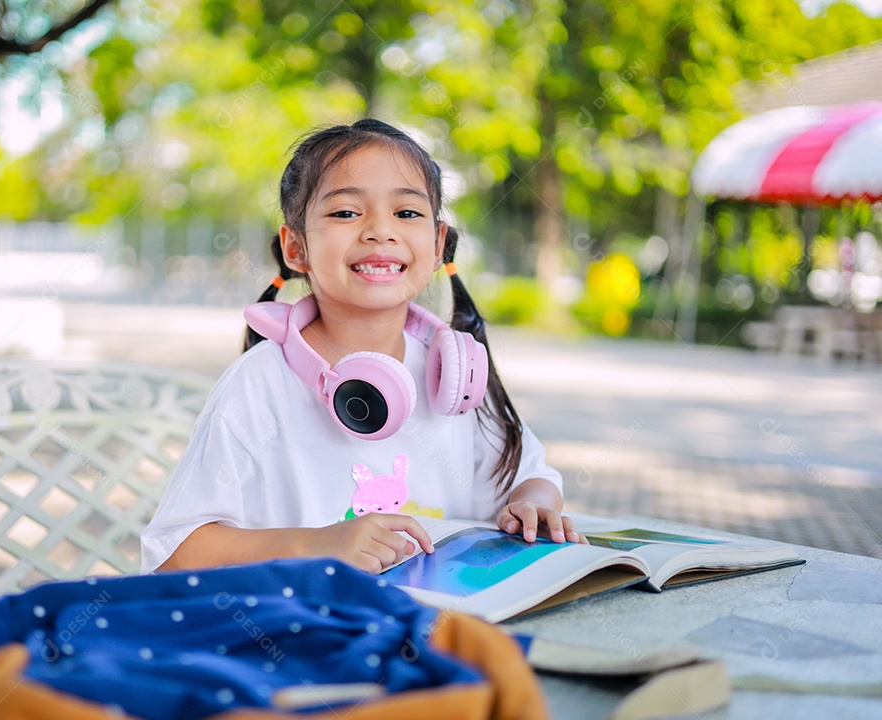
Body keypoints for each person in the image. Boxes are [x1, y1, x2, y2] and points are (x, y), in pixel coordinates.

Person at [141, 118, 580, 575]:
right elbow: (174, 556)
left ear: (437, 246)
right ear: (295, 248)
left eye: (406, 213)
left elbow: (530, 477)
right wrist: (314, 546)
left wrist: (532, 505)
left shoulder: (457, 377)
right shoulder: (260, 383)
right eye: (346, 213)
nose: (379, 231)